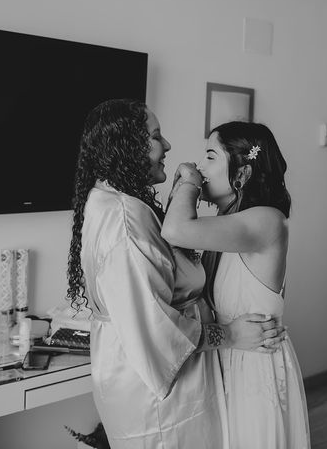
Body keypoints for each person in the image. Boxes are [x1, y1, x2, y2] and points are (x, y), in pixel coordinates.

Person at [66, 99, 284, 449]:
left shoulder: (119, 203)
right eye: (156, 136)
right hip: (157, 398)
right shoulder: (123, 218)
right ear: (129, 146)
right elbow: (155, 326)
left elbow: (170, 257)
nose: (168, 145)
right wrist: (228, 334)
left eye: (210, 156)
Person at [162, 121, 311, 448]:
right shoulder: (229, 223)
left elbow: (174, 229)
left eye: (211, 156)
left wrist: (188, 180)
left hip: (255, 364)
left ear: (242, 172)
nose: (202, 167)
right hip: (229, 353)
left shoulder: (266, 220)